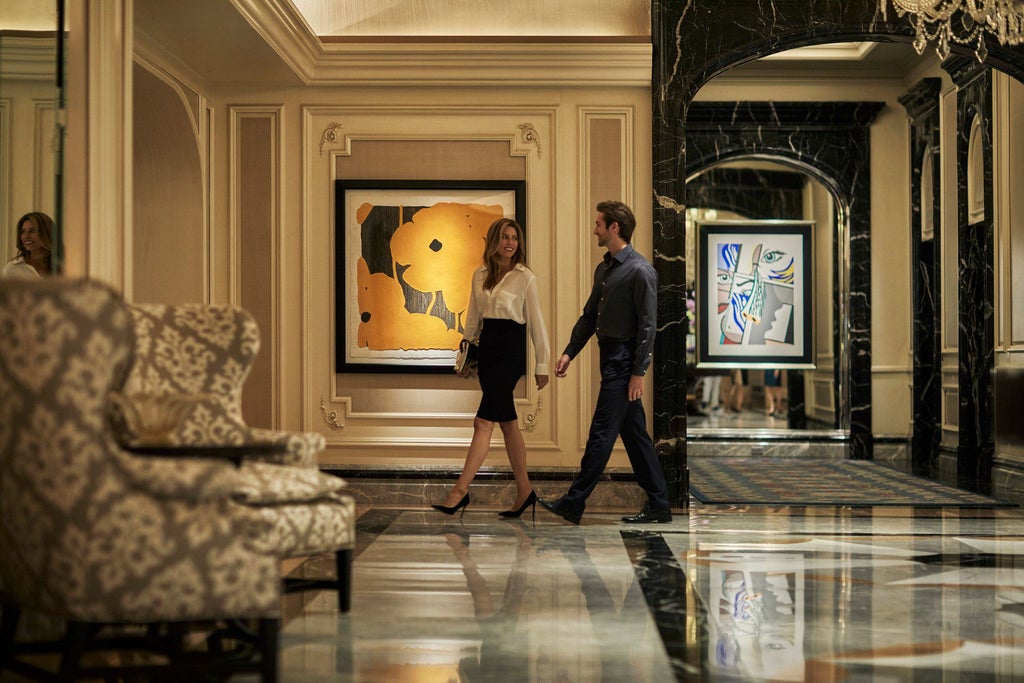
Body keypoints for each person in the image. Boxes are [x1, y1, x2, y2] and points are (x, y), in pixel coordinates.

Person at [539, 200, 672, 525]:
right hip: (608, 356)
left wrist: (638, 373)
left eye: (599, 223)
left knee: (601, 432)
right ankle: (659, 503)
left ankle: (575, 502)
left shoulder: (640, 271)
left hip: (624, 362)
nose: (595, 228)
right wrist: (569, 352)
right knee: (635, 436)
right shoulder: (605, 268)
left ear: (615, 227)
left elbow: (647, 327)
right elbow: (589, 317)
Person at [431, 217, 550, 518]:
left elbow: (537, 323)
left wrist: (542, 363)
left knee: (482, 423)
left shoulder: (526, 278)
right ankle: (525, 491)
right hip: (487, 351)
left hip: (510, 351)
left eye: (515, 238)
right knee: (507, 423)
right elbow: (473, 318)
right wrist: (466, 354)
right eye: (505, 237)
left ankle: (459, 492)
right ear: (494, 241)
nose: (511, 243)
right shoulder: (480, 274)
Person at [2, 212, 57, 279]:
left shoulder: (63, 264)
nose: (26, 236)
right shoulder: (12, 270)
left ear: (46, 233)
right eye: (23, 232)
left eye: (32, 231)